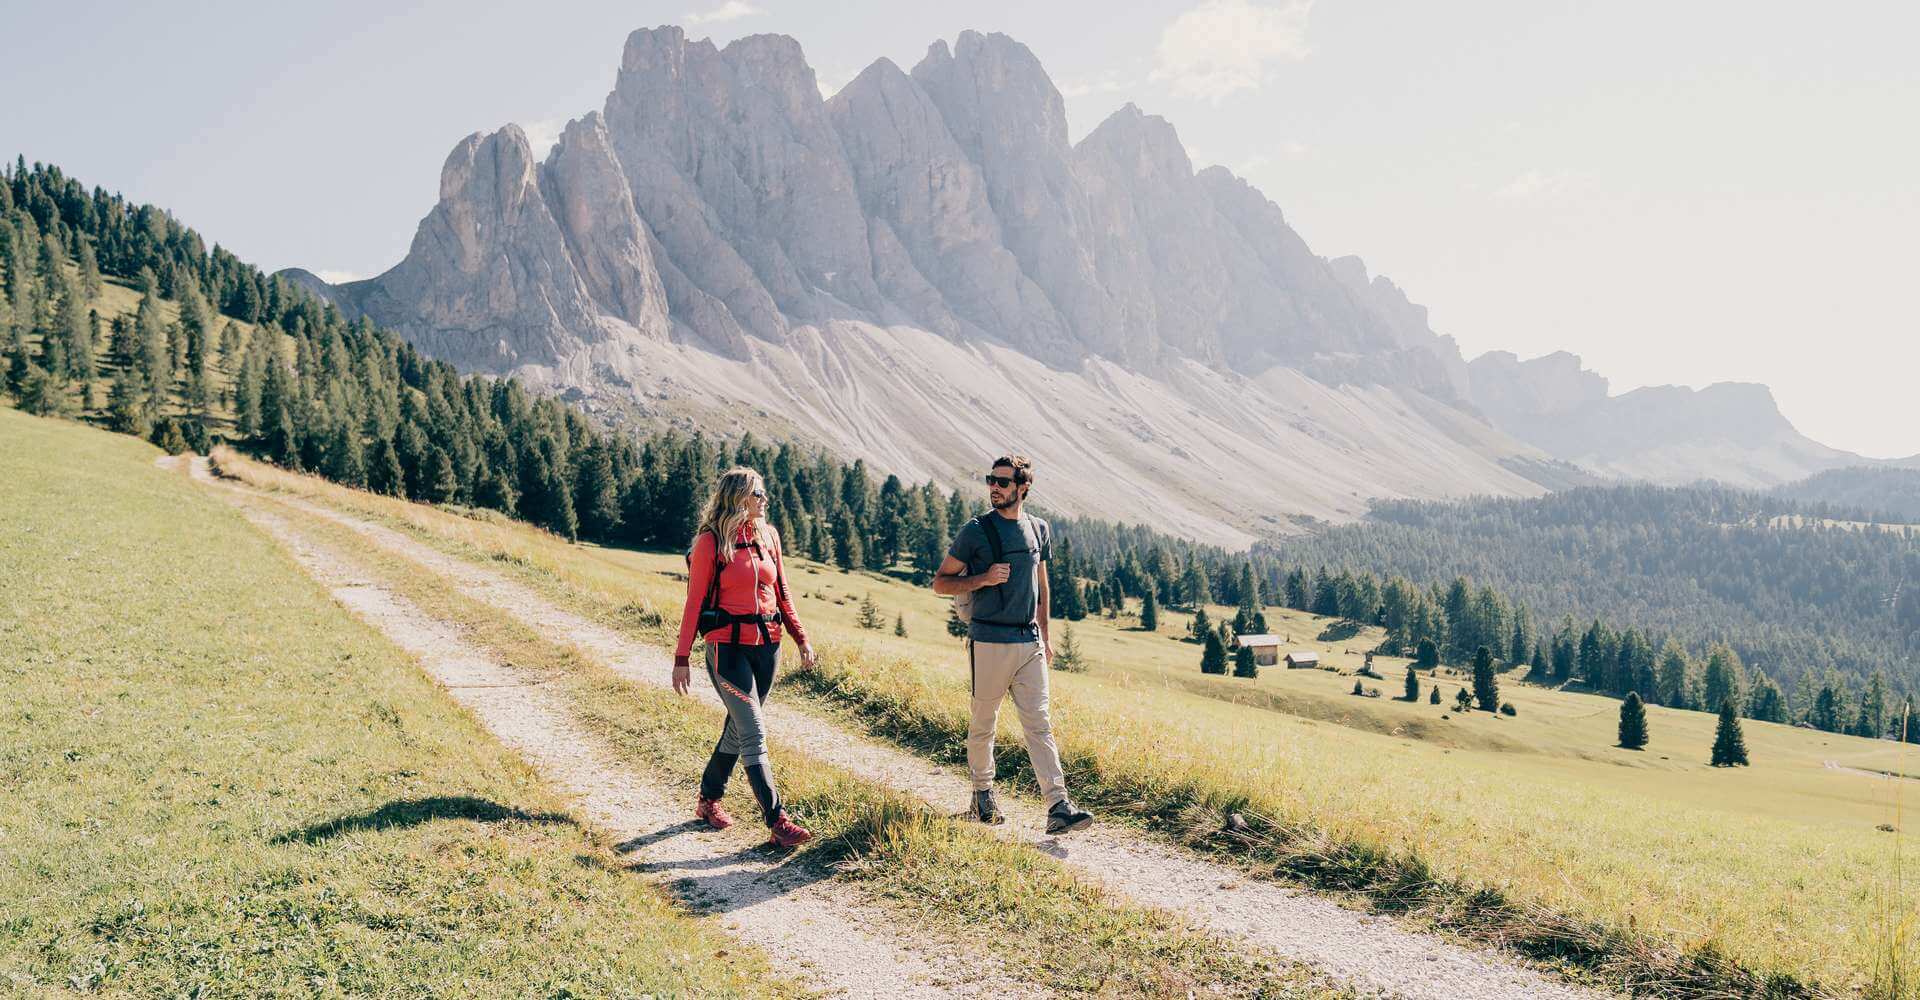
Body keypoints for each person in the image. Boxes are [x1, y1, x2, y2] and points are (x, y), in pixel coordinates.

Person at [932, 455, 1094, 834]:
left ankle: (1058, 805)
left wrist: (1046, 636)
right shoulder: (976, 531)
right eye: (991, 480)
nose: (994, 488)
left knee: (1040, 724)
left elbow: (1043, 586)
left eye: (1002, 482)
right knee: (983, 722)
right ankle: (982, 794)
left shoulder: (1039, 528)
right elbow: (941, 582)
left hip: (1029, 642)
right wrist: (982, 579)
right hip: (988, 641)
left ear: (1023, 487)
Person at [673, 466, 817, 848]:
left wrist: (800, 637)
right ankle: (778, 821)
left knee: (738, 730)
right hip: (726, 650)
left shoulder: (769, 536)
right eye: (758, 494)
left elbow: (782, 591)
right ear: (738, 498)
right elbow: (693, 603)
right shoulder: (710, 543)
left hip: (768, 647)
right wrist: (681, 657)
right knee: (753, 730)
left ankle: (708, 799)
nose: (764, 500)